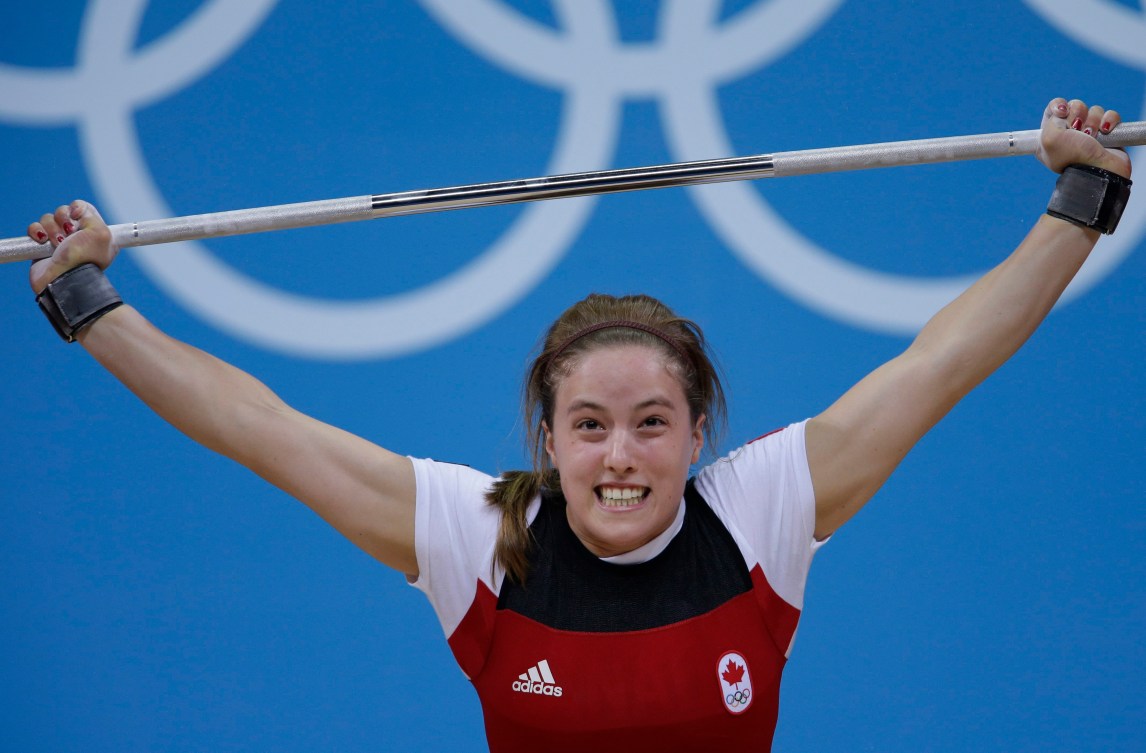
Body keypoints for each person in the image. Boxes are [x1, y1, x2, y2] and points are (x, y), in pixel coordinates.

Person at [24, 98, 1132, 751]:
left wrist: (1079, 202)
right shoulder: (480, 537)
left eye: (653, 423)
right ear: (547, 442)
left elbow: (940, 365)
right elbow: (258, 428)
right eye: (590, 424)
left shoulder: (758, 512)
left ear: (699, 434)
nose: (620, 455)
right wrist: (89, 304)